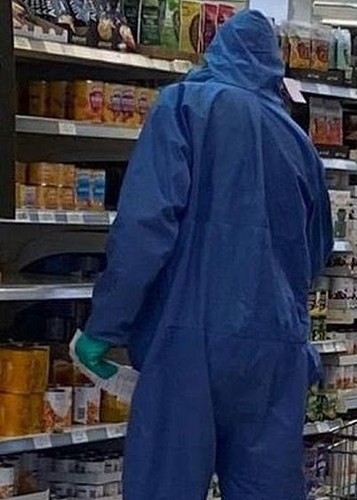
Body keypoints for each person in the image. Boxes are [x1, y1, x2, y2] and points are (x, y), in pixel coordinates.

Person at [71, 10, 332, 500]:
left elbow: (145, 229)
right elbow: (318, 251)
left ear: (215, 53)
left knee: (164, 486)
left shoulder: (184, 106)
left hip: (187, 339)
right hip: (273, 347)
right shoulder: (298, 141)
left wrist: (104, 327)